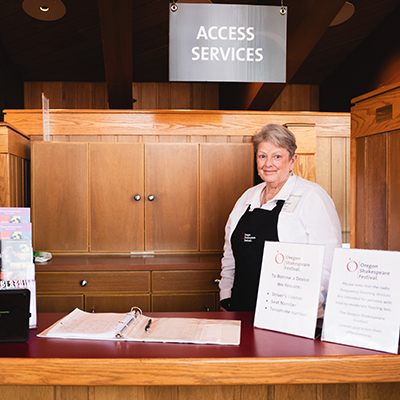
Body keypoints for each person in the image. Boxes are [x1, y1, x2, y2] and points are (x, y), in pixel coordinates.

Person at [219, 123, 342, 314]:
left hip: (287, 311)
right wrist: (225, 296)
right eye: (262, 156)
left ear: (292, 160)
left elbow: (328, 260)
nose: (268, 163)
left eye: (277, 156)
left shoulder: (312, 196)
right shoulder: (247, 197)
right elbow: (230, 254)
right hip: (241, 305)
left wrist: (308, 307)